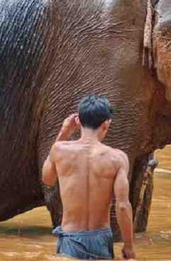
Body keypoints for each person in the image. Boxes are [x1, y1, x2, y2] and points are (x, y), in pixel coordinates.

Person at [42, 95, 137, 260]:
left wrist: (64, 132)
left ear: (78, 121)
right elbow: (122, 206)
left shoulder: (59, 150)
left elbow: (47, 179)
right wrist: (128, 246)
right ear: (107, 123)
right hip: (100, 239)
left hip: (70, 238)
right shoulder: (117, 158)